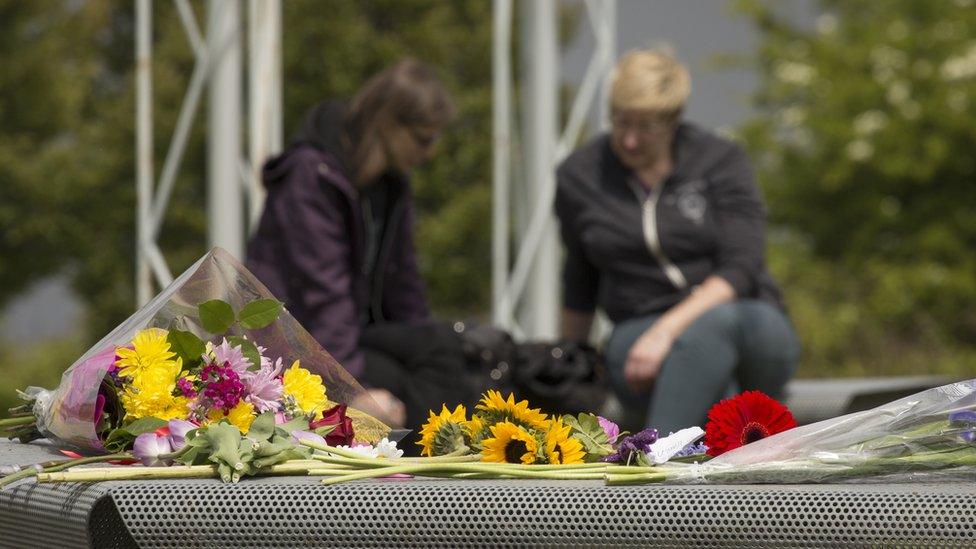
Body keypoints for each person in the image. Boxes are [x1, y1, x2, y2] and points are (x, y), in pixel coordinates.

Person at [554, 49, 801, 435]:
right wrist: (567, 364)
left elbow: (742, 266)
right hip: (639, 331)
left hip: (746, 320)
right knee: (658, 357)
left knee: (712, 328)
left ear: (673, 121)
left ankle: (658, 468)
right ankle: (718, 456)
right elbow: (579, 278)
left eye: (646, 127)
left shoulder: (720, 160)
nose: (630, 140)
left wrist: (666, 331)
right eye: (620, 123)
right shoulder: (580, 175)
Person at [246, 59, 456, 430]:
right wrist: (356, 392)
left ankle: (438, 449)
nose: (429, 153)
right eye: (423, 139)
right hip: (290, 348)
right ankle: (423, 465)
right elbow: (322, 291)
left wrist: (423, 345)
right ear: (389, 123)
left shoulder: (391, 184)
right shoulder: (311, 175)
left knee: (443, 358)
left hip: (349, 338)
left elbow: (404, 285)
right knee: (400, 393)